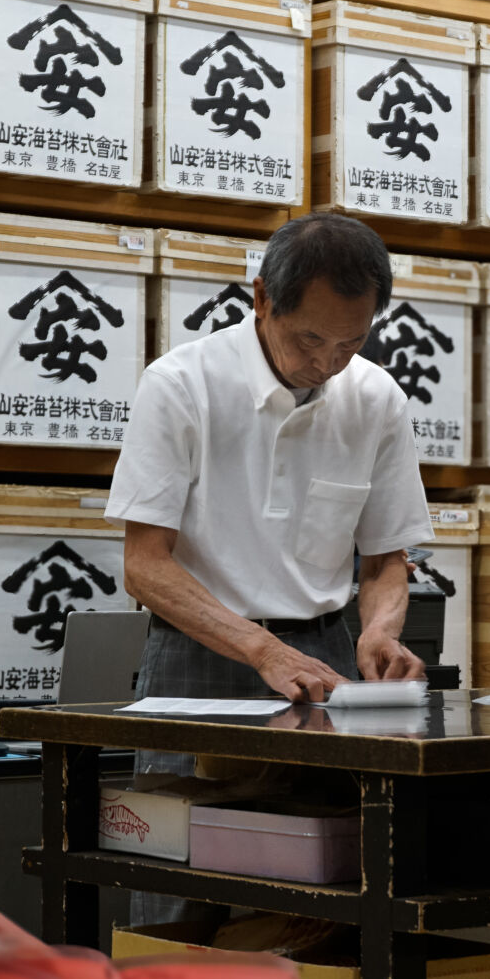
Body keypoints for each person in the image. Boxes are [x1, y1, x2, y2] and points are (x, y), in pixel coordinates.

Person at [105, 212, 433, 717]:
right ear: (262, 299)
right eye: (310, 340)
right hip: (197, 654)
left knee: (325, 799)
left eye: (350, 343)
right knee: (180, 798)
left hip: (325, 653)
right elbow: (144, 566)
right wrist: (263, 651)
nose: (327, 364)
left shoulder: (377, 397)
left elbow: (386, 559)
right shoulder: (181, 385)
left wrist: (380, 630)